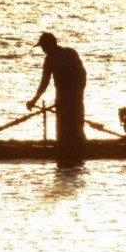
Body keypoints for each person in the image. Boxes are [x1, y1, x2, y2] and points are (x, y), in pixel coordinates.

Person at [26, 32, 87, 164]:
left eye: (43, 46)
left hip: (73, 95)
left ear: (50, 44)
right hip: (66, 95)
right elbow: (45, 82)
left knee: (73, 125)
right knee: (67, 127)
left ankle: (75, 152)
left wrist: (76, 93)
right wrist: (34, 100)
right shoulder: (56, 57)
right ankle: (69, 154)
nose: (42, 49)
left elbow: (81, 74)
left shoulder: (66, 54)